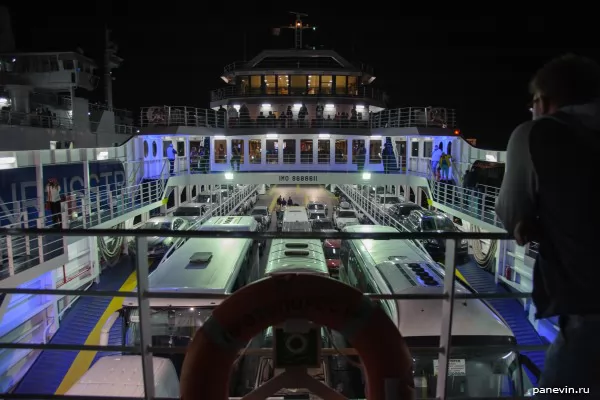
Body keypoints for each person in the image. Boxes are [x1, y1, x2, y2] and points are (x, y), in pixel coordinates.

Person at [495, 54, 600, 395]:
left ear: (544, 101)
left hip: (590, 311)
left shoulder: (537, 134)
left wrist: (532, 221)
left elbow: (510, 213)